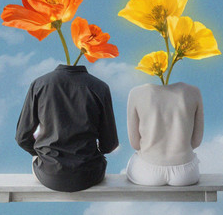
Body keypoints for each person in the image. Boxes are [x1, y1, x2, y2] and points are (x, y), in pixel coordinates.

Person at [15, 64, 119, 192]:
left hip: (49, 173)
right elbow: (110, 144)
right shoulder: (100, 87)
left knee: (37, 160)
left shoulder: (39, 84)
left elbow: (22, 138)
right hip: (88, 174)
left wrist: (42, 154)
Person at [126, 81, 203, 186]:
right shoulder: (194, 91)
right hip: (186, 172)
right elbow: (196, 141)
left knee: (134, 160)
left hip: (148, 171)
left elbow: (135, 144)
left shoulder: (136, 93)